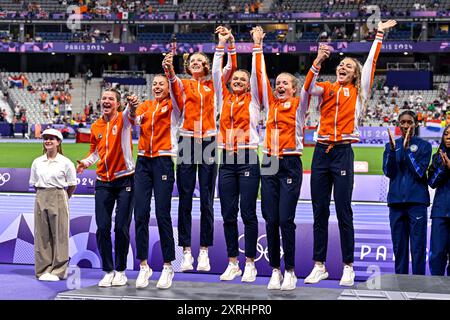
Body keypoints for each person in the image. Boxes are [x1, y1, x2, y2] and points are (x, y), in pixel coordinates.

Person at [303, 20, 398, 286]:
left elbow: (370, 63)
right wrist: (318, 61)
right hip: (321, 152)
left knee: (344, 210)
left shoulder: (359, 91)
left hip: (343, 152)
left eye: (349, 66)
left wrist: (379, 33)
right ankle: (319, 265)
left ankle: (348, 266)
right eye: (341, 64)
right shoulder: (327, 89)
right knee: (319, 211)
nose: (344, 67)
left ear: (356, 74)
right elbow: (308, 88)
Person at [162, 35, 236, 273]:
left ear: (206, 64)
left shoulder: (215, 84)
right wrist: (168, 69)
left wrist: (226, 44)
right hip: (186, 141)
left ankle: (203, 251)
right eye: (192, 60)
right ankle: (185, 252)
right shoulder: (184, 84)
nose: (195, 62)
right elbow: (171, 82)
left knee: (206, 198)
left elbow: (230, 67)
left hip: (208, 142)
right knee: (184, 198)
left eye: (200, 59)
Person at [252, 26, 310, 290]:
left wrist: (317, 63)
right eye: (278, 84)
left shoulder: (300, 106)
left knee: (286, 219)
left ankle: (291, 270)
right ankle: (275, 269)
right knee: (271, 220)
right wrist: (257, 46)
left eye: (286, 83)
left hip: (289, 163)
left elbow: (310, 86)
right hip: (269, 162)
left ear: (295, 89)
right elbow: (260, 77)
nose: (280, 86)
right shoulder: (270, 105)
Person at [76, 88, 138, 287]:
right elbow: (95, 153)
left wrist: (132, 103)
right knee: (102, 228)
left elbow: (132, 111)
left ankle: (121, 270)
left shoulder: (124, 120)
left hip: (125, 180)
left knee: (121, 227)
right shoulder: (96, 126)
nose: (106, 101)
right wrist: (86, 162)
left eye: (111, 98)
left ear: (118, 104)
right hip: (103, 181)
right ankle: (108, 270)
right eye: (104, 98)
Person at [212, 26, 259, 282]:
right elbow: (218, 71)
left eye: (243, 79)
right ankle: (233, 262)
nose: (238, 81)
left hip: (249, 157)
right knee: (228, 213)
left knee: (248, 213)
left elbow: (255, 75)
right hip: (227, 160)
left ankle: (250, 261)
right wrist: (225, 45)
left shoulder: (255, 99)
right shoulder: (223, 98)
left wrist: (252, 46)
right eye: (235, 79)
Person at [133, 74, 180, 289]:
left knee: (162, 214)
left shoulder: (174, 106)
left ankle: (168, 265)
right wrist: (134, 107)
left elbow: (178, 92)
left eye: (161, 84)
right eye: (154, 84)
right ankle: (144, 266)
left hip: (163, 161)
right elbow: (136, 120)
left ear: (168, 87)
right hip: (143, 161)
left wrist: (170, 73)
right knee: (140, 214)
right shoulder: (145, 106)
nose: (157, 86)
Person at [384, 110, 431, 275]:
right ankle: (400, 283)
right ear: (398, 124)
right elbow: (388, 172)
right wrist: (391, 151)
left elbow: (420, 172)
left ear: (415, 124)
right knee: (399, 247)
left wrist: (407, 151)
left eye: (409, 122)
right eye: (402, 122)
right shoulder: (391, 145)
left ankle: (418, 283)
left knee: (417, 247)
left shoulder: (425, 146)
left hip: (416, 202)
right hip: (396, 203)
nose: (405, 125)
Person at [29, 128, 77, 281]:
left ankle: (58, 271)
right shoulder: (37, 162)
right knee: (41, 235)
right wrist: (42, 195)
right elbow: (34, 183)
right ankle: (43, 270)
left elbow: (72, 184)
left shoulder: (66, 162)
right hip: (41, 195)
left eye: (52, 138)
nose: (48, 141)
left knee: (60, 234)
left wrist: (63, 198)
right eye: (46, 138)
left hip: (58, 195)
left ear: (58, 142)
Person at [427, 124, 450, 276]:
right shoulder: (437, 157)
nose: (449, 137)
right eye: (446, 134)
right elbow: (432, 183)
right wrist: (443, 169)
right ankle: (436, 286)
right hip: (441, 212)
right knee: (437, 254)